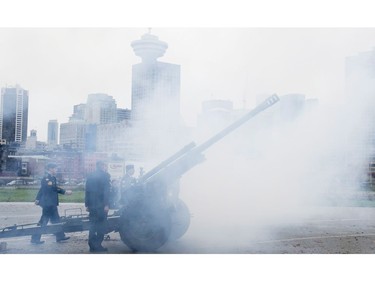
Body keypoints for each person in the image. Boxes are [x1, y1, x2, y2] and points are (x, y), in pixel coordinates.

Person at [31, 162, 72, 244]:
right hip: (48, 203)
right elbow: (52, 188)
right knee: (44, 221)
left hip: (51, 203)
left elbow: (42, 189)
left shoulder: (52, 177)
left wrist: (37, 199)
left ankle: (60, 236)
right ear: (50, 169)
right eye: (55, 168)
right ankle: (35, 239)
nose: (56, 170)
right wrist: (65, 192)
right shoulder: (47, 178)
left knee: (56, 220)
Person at [85, 160, 111, 253]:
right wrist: (107, 204)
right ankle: (98, 246)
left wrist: (87, 204)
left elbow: (87, 190)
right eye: (105, 165)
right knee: (101, 225)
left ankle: (92, 246)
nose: (106, 167)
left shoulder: (91, 175)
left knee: (92, 225)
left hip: (92, 205)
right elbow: (106, 192)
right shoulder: (105, 176)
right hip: (101, 206)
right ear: (102, 166)